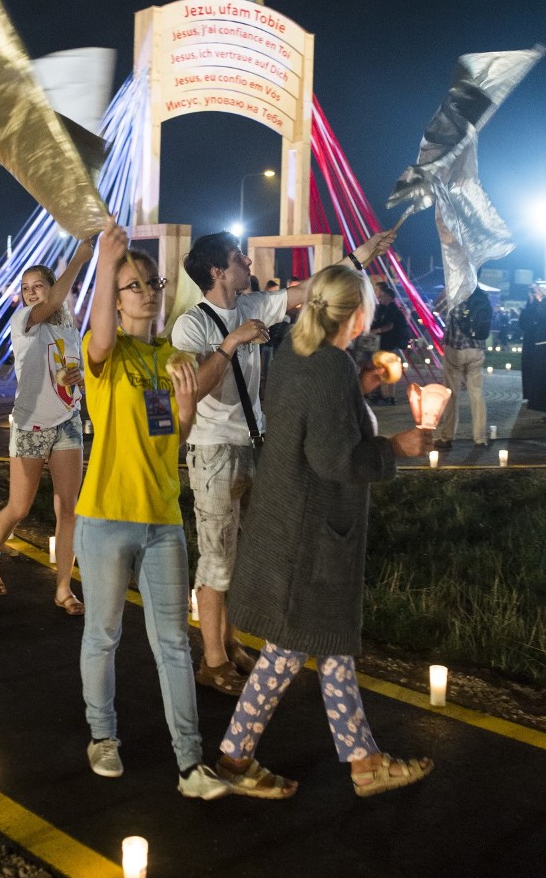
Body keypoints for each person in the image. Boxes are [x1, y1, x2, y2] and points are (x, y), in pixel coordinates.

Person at [217, 263, 434, 799]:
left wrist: (367, 379)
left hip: (289, 520)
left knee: (320, 647)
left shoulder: (296, 351)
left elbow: (318, 413)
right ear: (358, 315)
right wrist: (398, 449)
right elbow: (335, 456)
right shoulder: (330, 366)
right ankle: (235, 756)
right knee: (294, 648)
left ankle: (362, 762)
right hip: (310, 536)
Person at [172, 228, 395, 696]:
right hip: (213, 450)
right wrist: (231, 342)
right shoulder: (190, 325)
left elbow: (310, 291)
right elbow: (196, 387)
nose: (248, 263)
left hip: (257, 445)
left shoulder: (253, 306)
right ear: (217, 271)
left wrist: (358, 258)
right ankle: (211, 660)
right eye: (238, 258)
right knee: (216, 559)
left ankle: (231, 643)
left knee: (249, 553)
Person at [74, 221, 229, 800]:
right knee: (105, 634)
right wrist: (104, 263)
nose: (147, 291)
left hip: (163, 520)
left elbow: (173, 435)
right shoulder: (103, 356)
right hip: (106, 516)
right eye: (133, 285)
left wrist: (187, 409)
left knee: (172, 644)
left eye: (151, 282)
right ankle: (102, 734)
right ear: (114, 299)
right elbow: (102, 338)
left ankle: (191, 764)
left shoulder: (172, 356)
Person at [0, 243, 93, 612]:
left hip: (68, 423)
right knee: (19, 507)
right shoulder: (25, 321)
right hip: (31, 425)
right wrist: (78, 259)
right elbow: (49, 306)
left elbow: (72, 372)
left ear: (51, 287)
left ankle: (63, 588)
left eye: (38, 286)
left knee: (68, 509)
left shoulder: (69, 327)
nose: (30, 292)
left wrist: (79, 379)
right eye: (26, 288)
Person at [433, 286, 491, 451]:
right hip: (476, 351)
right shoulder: (481, 295)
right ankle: (480, 438)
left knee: (451, 394)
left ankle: (447, 436)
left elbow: (435, 309)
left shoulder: (455, 296)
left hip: (455, 350)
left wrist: (445, 292)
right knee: (477, 394)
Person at [368, 282, 410, 404]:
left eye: (381, 296)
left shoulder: (393, 310)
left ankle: (389, 396)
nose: (379, 298)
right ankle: (379, 394)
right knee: (380, 369)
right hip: (382, 344)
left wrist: (375, 331)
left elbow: (390, 326)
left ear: (389, 297)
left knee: (388, 370)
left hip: (390, 344)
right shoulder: (382, 309)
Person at [519, 282, 546, 415]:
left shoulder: (543, 304)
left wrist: (540, 300)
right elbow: (523, 323)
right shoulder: (530, 306)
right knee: (530, 371)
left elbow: (542, 315)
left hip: (541, 344)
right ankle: (531, 396)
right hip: (531, 343)